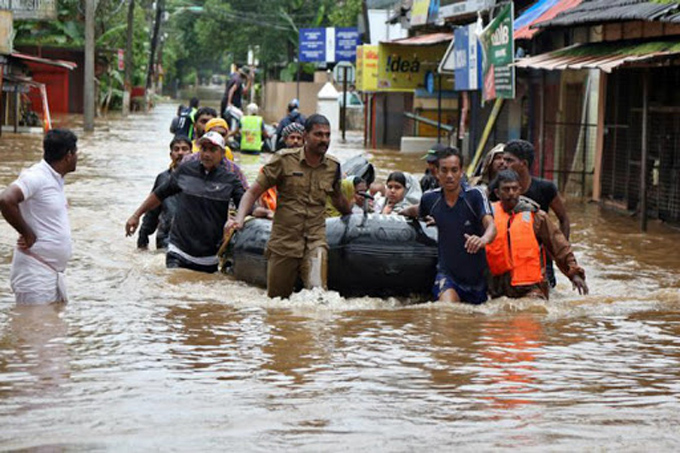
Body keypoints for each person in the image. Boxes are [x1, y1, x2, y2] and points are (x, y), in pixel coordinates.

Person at [230, 114, 352, 298]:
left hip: (315, 240)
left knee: (318, 297)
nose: (324, 140)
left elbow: (337, 197)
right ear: (305, 135)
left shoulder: (332, 166)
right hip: (284, 242)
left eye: (327, 135)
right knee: (278, 301)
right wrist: (239, 219)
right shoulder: (283, 160)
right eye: (318, 134)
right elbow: (253, 192)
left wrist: (353, 214)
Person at [125, 131, 246, 273]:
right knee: (174, 288)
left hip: (209, 257)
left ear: (222, 153)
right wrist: (136, 215)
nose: (207, 154)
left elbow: (246, 204)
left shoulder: (230, 180)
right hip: (178, 251)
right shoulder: (185, 171)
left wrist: (241, 218)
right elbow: (159, 194)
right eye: (204, 149)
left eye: (212, 150)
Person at [401, 147, 496, 305]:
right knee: (448, 313)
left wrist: (483, 240)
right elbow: (416, 210)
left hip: (477, 280)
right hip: (447, 276)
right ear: (436, 172)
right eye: (444, 170)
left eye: (454, 170)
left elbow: (491, 226)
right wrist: (393, 213)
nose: (449, 176)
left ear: (461, 172)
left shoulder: (475, 196)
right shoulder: (430, 199)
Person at [0, 129, 79, 304]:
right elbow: (6, 200)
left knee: (52, 329)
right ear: (68, 155)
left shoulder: (55, 178)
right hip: (34, 273)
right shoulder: (37, 176)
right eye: (76, 152)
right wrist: (27, 233)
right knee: (34, 330)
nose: (77, 157)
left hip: (51, 273)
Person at [486, 170, 588, 299]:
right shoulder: (487, 216)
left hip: (530, 287)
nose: (511, 193)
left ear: (520, 190)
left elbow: (559, 245)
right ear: (497, 193)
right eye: (506, 189)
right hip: (497, 286)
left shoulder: (537, 217)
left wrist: (574, 273)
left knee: (533, 310)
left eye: (514, 189)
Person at [501, 139, 570, 287]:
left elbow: (564, 219)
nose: (504, 164)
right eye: (503, 159)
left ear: (523, 164)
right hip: (511, 257)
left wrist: (558, 253)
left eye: (509, 160)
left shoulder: (545, 188)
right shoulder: (499, 189)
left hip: (541, 258)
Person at [137, 135, 192, 250]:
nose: (180, 153)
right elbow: (152, 210)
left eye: (184, 149)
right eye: (176, 149)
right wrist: (143, 236)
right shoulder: (163, 178)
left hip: (190, 240)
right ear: (171, 155)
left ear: (191, 153)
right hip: (166, 239)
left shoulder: (199, 179)